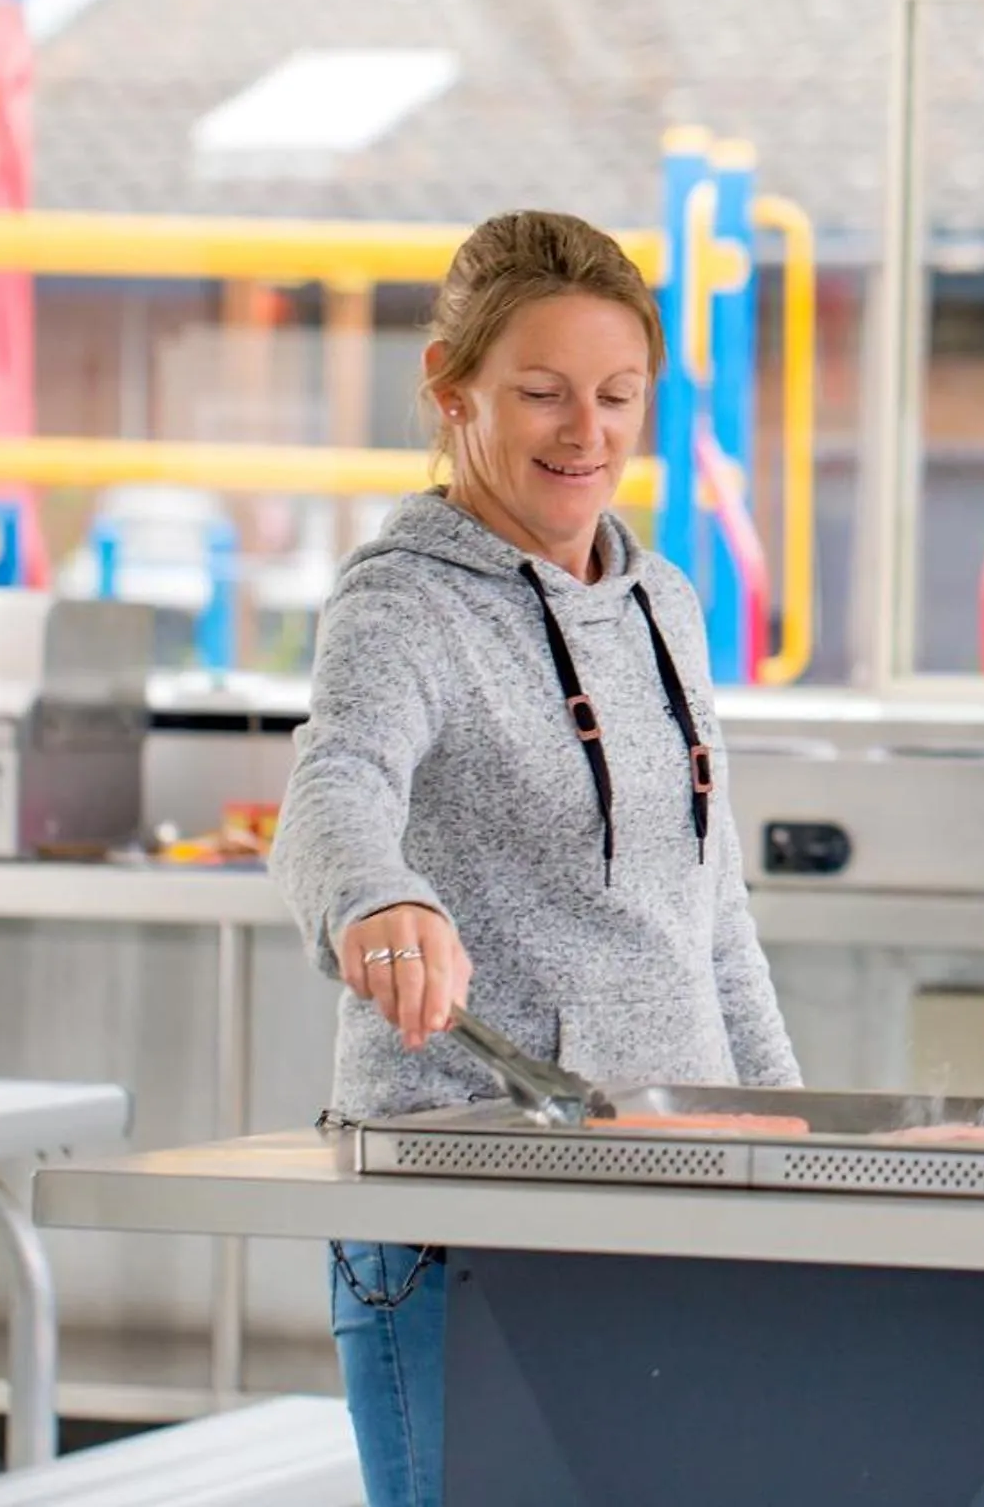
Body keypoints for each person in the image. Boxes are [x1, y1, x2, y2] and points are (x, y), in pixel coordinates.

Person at [271, 209, 801, 1507]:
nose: (588, 433)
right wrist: (380, 898)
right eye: (543, 394)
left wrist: (799, 1138)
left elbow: (712, 915)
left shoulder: (664, 603)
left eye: (618, 395)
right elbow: (336, 788)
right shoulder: (402, 601)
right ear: (451, 391)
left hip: (672, 1188)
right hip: (469, 1206)